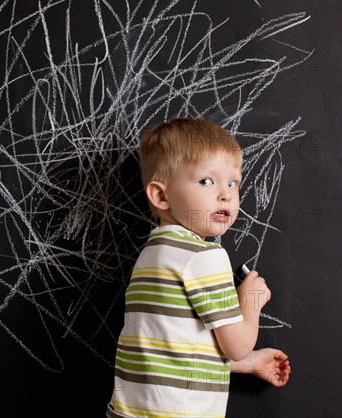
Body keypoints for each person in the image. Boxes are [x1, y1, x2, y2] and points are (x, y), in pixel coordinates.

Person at [106, 117, 291, 418]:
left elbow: (177, 347)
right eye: (207, 181)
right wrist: (252, 299)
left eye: (233, 182)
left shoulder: (153, 254)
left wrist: (251, 363)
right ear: (161, 196)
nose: (226, 194)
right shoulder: (205, 256)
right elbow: (236, 346)